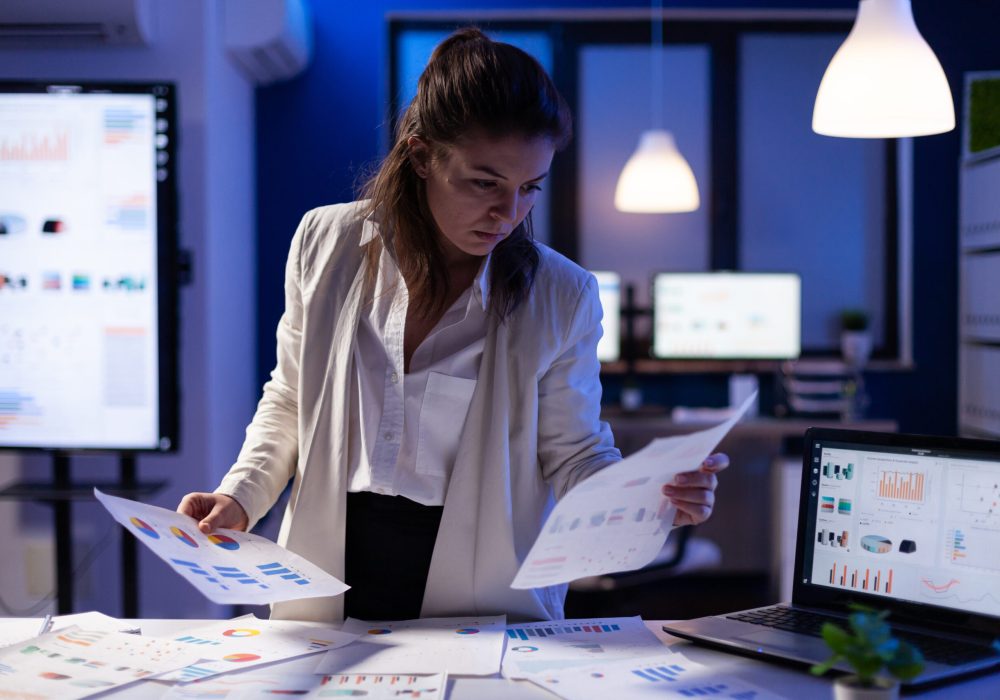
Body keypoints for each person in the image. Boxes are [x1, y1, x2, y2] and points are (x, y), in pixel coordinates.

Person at [178, 27, 728, 623]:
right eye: (485, 183)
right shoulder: (324, 242)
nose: (508, 214)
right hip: (329, 567)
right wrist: (240, 494)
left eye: (529, 188)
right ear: (420, 156)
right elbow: (290, 399)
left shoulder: (563, 294)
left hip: (480, 585)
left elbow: (573, 454)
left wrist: (648, 498)